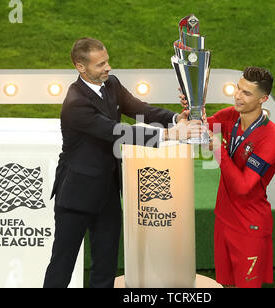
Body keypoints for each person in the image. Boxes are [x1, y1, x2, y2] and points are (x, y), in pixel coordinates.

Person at [44, 37, 202, 288]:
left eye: (107, 61)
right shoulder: (75, 103)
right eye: (100, 64)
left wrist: (175, 119)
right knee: (62, 265)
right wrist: (170, 135)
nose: (108, 68)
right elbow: (117, 131)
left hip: (107, 192)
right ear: (80, 67)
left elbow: (140, 108)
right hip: (76, 196)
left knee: (105, 265)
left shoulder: (111, 84)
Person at [181, 66, 275, 288]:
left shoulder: (271, 138)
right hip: (224, 219)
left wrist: (219, 151)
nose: (237, 96)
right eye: (238, 88)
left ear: (263, 99)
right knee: (224, 284)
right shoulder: (231, 116)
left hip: (249, 226)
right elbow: (198, 129)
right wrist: (192, 109)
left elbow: (244, 186)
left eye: (247, 93)